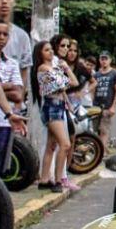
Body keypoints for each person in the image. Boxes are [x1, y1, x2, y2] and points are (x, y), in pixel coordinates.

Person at [31, 39, 79, 193]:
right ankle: (58, 180)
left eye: (51, 49)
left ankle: (45, 179)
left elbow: (70, 84)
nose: (51, 52)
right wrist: (65, 68)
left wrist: (63, 68)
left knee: (51, 146)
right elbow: (71, 82)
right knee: (65, 144)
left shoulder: (53, 68)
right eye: (47, 50)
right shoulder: (44, 68)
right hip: (51, 107)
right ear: (40, 54)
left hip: (57, 106)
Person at [0, 20, 28, 173]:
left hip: (3, 122)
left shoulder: (12, 63)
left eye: (5, 34)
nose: (1, 38)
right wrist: (7, 85)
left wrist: (9, 113)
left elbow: (18, 94)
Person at [92, 52, 116, 148]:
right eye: (102, 59)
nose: (104, 61)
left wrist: (113, 107)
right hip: (96, 106)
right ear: (99, 60)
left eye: (106, 59)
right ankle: (97, 152)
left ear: (110, 60)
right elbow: (93, 90)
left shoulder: (115, 74)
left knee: (104, 131)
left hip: (107, 106)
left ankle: (101, 153)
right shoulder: (96, 74)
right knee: (94, 130)